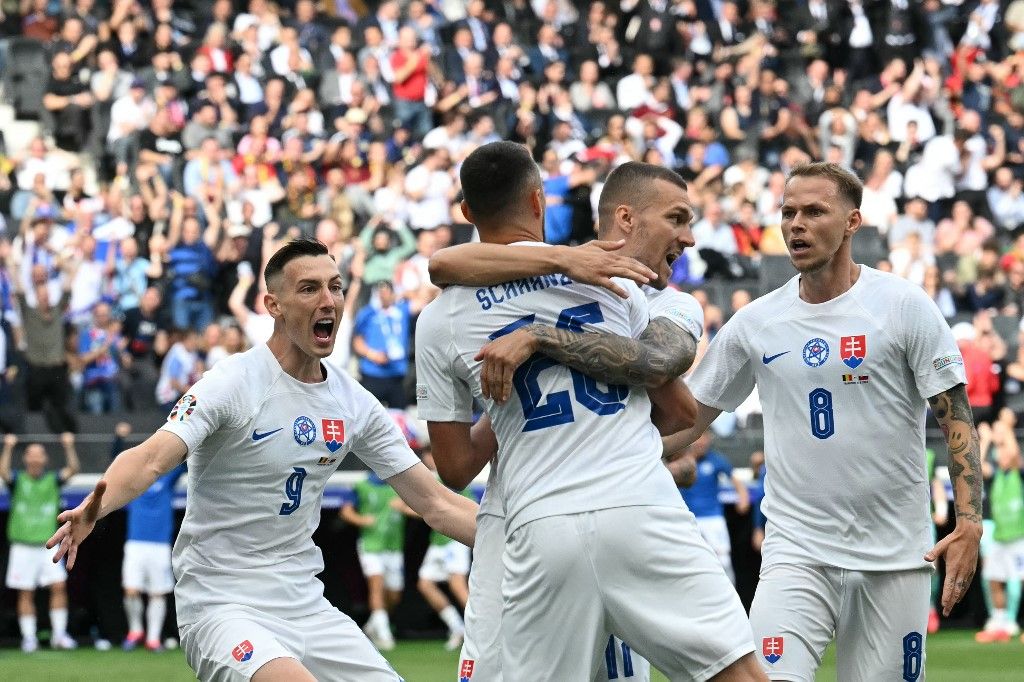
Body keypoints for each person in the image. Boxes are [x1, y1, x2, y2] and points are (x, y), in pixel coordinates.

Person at [48, 239, 478, 681]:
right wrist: (95, 509)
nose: (328, 300)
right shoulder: (233, 382)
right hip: (222, 605)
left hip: (307, 606)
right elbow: (152, 458)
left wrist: (520, 542)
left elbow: (436, 504)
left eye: (335, 287)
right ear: (273, 304)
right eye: (309, 289)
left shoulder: (355, 404)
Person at [416, 144, 762, 680]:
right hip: (637, 499)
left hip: (538, 521)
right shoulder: (611, 284)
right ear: (539, 200)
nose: (686, 237)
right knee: (734, 673)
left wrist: (511, 401)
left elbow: (456, 469)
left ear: (466, 213)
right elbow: (679, 412)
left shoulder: (439, 320)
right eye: (677, 220)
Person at [666, 162, 983, 680]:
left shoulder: (903, 306)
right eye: (788, 212)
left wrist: (969, 523)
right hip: (797, 550)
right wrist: (613, 456)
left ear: (853, 221)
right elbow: (687, 418)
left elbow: (958, 421)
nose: (796, 224)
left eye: (814, 211)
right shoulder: (755, 323)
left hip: (895, 554)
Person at [110, 421, 187, 653]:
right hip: (135, 543)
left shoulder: (166, 479)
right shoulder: (134, 481)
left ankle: (153, 638)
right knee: (131, 590)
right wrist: (119, 439)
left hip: (159, 545)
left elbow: (185, 462)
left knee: (157, 593)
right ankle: (135, 630)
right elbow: (116, 464)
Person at [2, 432, 80, 652]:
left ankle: (59, 635)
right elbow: (3, 472)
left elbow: (73, 469)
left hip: (47, 545)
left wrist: (68, 446)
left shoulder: (52, 480)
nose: (36, 458)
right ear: (26, 458)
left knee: (58, 586)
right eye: (32, 454)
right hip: (22, 545)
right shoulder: (18, 480)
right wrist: (8, 447)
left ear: (44, 459)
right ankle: (29, 638)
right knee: (25, 591)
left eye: (39, 455)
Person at [339, 468, 406, 651]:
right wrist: (362, 520)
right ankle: (384, 636)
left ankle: (373, 624)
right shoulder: (362, 485)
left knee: (394, 595)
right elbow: (345, 511)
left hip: (393, 546)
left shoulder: (400, 483)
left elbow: (419, 506)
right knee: (376, 585)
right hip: (371, 545)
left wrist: (404, 507)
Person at [975, 415, 1024, 642]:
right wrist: (985, 439)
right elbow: (978, 466)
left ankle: (1012, 620)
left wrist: (1005, 427)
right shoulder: (994, 476)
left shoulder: (1017, 472)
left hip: (1018, 536)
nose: (1003, 455)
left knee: (1016, 579)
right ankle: (999, 618)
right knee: (993, 576)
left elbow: (1013, 454)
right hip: (998, 535)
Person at [680, 432, 751, 584]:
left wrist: (743, 498)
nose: (701, 442)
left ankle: (732, 598)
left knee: (723, 561)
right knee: (687, 562)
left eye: (704, 438)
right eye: (698, 437)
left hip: (713, 518)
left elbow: (736, 481)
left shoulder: (716, 459)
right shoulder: (680, 459)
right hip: (686, 519)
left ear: (709, 439)